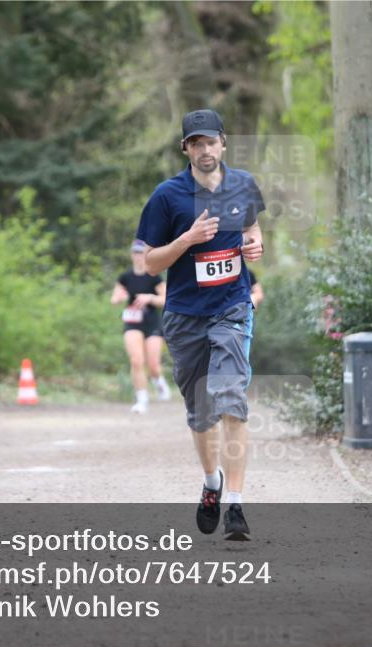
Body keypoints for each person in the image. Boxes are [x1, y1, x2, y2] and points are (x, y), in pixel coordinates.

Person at [137, 108, 265, 541]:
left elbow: (253, 227)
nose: (205, 150)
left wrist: (254, 244)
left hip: (232, 308)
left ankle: (236, 506)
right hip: (184, 315)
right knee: (201, 413)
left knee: (232, 399)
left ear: (223, 143)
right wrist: (187, 239)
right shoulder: (167, 196)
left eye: (211, 141)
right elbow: (149, 262)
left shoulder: (243, 184)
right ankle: (212, 483)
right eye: (196, 143)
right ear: (185, 149)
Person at [110, 239, 170, 414]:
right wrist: (119, 298)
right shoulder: (125, 277)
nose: (138, 256)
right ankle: (141, 399)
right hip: (132, 322)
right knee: (136, 361)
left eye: (141, 253)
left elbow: (166, 299)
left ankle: (158, 380)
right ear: (131, 255)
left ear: (146, 255)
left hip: (152, 322)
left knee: (153, 365)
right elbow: (114, 298)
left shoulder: (154, 276)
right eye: (135, 253)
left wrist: (149, 298)